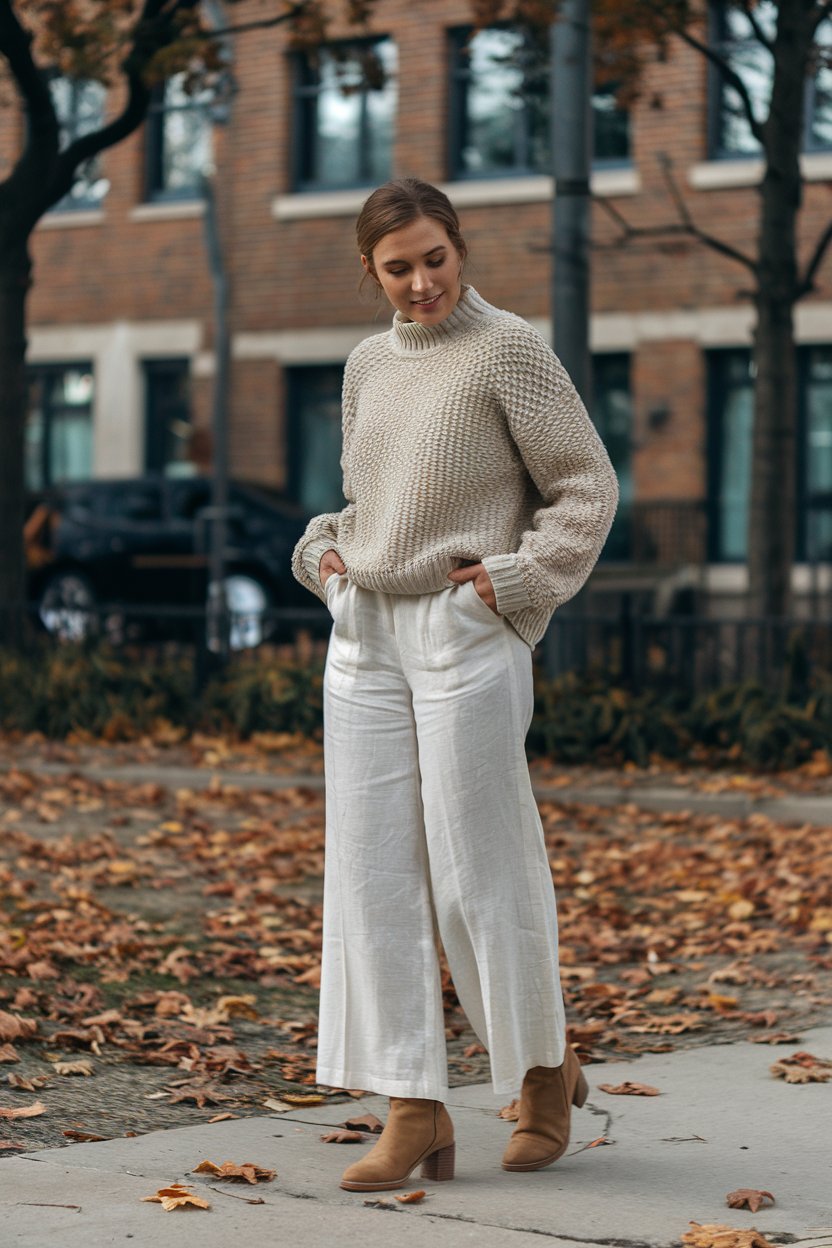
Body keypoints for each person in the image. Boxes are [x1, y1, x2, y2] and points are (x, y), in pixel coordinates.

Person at [291, 177, 618, 1193]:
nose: (422, 282)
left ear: (457, 247)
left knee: (478, 869)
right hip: (367, 637)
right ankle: (411, 1104)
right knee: (373, 875)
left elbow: (584, 484)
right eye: (399, 268)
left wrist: (515, 582)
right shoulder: (365, 364)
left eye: (435, 258)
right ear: (370, 271)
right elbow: (361, 500)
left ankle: (539, 1075)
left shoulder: (508, 349)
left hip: (462, 628)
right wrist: (324, 555)